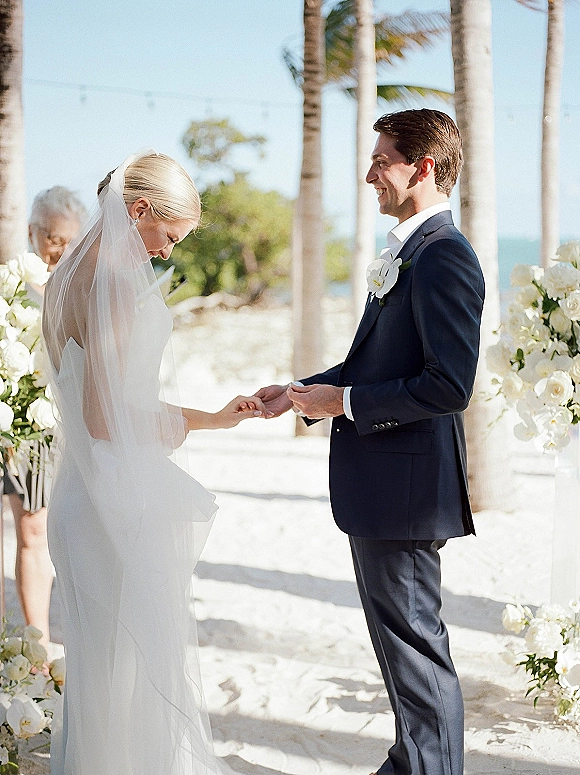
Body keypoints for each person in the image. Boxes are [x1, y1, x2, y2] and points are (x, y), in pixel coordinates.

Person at [256, 109, 485, 775]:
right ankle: (410, 761)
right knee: (400, 650)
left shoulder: (444, 255)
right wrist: (301, 392)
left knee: (416, 649)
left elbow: (449, 385)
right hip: (383, 488)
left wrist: (347, 404)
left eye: (381, 161)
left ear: (423, 168)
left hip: (406, 493)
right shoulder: (407, 252)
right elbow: (372, 365)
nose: (368, 174)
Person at [42, 152, 266, 775]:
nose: (166, 254)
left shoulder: (65, 274)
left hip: (79, 495)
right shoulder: (112, 277)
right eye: (167, 236)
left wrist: (213, 417)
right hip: (113, 497)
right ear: (137, 211)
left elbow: (102, 396)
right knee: (132, 671)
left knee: (101, 676)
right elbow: (107, 417)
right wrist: (191, 424)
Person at [3, 186, 87, 645]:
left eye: (70, 240)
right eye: (53, 237)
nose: (59, 249)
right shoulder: (10, 282)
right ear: (33, 231)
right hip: (7, 409)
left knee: (33, 527)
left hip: (37, 424)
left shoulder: (76, 289)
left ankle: (37, 640)